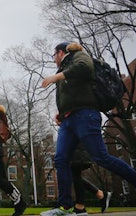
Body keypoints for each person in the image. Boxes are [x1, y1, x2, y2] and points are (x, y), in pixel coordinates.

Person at [40, 42, 136, 215]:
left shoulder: (78, 57)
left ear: (61, 52)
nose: (53, 59)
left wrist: (58, 76)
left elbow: (85, 68)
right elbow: (71, 95)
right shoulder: (64, 69)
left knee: (101, 157)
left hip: (86, 115)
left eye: (53, 55)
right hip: (68, 120)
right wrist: (60, 113)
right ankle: (65, 207)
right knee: (61, 159)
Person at [70, 143, 112, 215]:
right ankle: (99, 194)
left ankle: (80, 206)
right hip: (76, 147)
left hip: (77, 148)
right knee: (73, 175)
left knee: (74, 174)